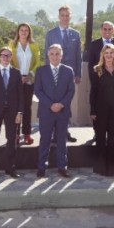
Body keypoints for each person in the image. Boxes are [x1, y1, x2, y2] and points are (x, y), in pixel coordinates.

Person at [35, 44, 76, 178]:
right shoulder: (41, 70)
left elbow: (71, 90)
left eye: (57, 54)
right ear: (48, 55)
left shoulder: (68, 70)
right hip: (46, 111)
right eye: (52, 54)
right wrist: (50, 104)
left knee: (61, 141)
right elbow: (38, 91)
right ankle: (41, 167)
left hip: (62, 112)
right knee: (45, 140)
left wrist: (62, 104)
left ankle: (62, 167)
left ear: (61, 56)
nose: (54, 56)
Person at [44, 5, 81, 143]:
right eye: (62, 15)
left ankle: (65, 131)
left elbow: (78, 55)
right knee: (54, 104)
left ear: (70, 17)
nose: (65, 18)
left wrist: (78, 73)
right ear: (59, 17)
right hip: (53, 74)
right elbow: (46, 55)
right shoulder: (50, 33)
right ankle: (54, 134)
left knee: (66, 104)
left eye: (67, 15)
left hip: (69, 75)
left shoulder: (76, 34)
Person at [0, 47, 23, 179]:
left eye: (8, 55)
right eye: (3, 55)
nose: (6, 58)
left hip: (12, 112)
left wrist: (19, 112)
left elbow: (20, 95)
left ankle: (10, 168)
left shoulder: (16, 73)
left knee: (11, 140)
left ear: (11, 57)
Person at [91, 44, 114, 176]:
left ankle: (112, 168)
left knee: (113, 139)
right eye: (106, 53)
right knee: (101, 138)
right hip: (100, 109)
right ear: (102, 54)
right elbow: (93, 92)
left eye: (111, 53)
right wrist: (92, 110)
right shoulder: (97, 70)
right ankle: (100, 168)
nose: (108, 55)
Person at [87, 21, 114, 143]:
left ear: (113, 30)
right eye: (105, 29)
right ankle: (97, 133)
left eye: (110, 29)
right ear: (101, 30)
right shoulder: (94, 45)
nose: (107, 31)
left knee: (113, 123)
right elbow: (90, 65)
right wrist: (95, 79)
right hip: (99, 83)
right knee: (99, 117)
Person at [9, 23, 41, 145]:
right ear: (18, 32)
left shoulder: (33, 46)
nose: (23, 32)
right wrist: (18, 76)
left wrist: (29, 75)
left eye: (26, 30)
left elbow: (37, 62)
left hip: (28, 80)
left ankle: (27, 134)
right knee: (15, 108)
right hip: (15, 81)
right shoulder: (12, 45)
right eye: (21, 30)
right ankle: (16, 134)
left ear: (29, 32)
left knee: (27, 108)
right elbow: (9, 61)